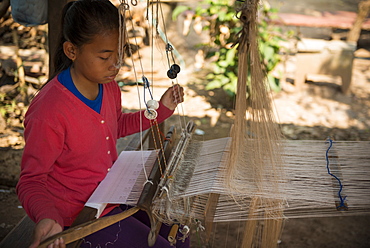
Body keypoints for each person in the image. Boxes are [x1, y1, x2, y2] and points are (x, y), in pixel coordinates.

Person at [16, 0, 189, 247]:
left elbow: (113, 126)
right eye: (105, 56)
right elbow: (30, 180)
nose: (116, 64)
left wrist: (161, 110)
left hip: (108, 195)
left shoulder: (109, 87)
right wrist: (48, 217)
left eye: (121, 53)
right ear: (71, 51)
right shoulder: (50, 111)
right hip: (76, 216)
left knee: (179, 234)